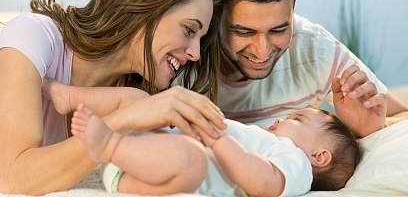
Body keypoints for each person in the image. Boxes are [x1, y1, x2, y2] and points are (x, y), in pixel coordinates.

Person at [0, 0, 226, 194]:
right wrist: (124, 120)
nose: (195, 52)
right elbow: (12, 179)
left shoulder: (131, 94)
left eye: (200, 39)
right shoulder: (33, 36)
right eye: (189, 30)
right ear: (143, 6)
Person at [207, 0, 408, 136]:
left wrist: (372, 127)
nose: (262, 51)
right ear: (216, 11)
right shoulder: (186, 51)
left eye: (278, 30)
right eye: (244, 32)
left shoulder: (314, 49)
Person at [44, 80, 361, 196]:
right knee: (139, 99)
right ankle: (66, 96)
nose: (282, 119)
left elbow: (263, 184)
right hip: (151, 149)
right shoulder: (271, 142)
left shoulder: (297, 165)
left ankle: (109, 146)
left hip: (152, 173)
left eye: (297, 119)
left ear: (319, 156)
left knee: (192, 160)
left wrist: (214, 137)